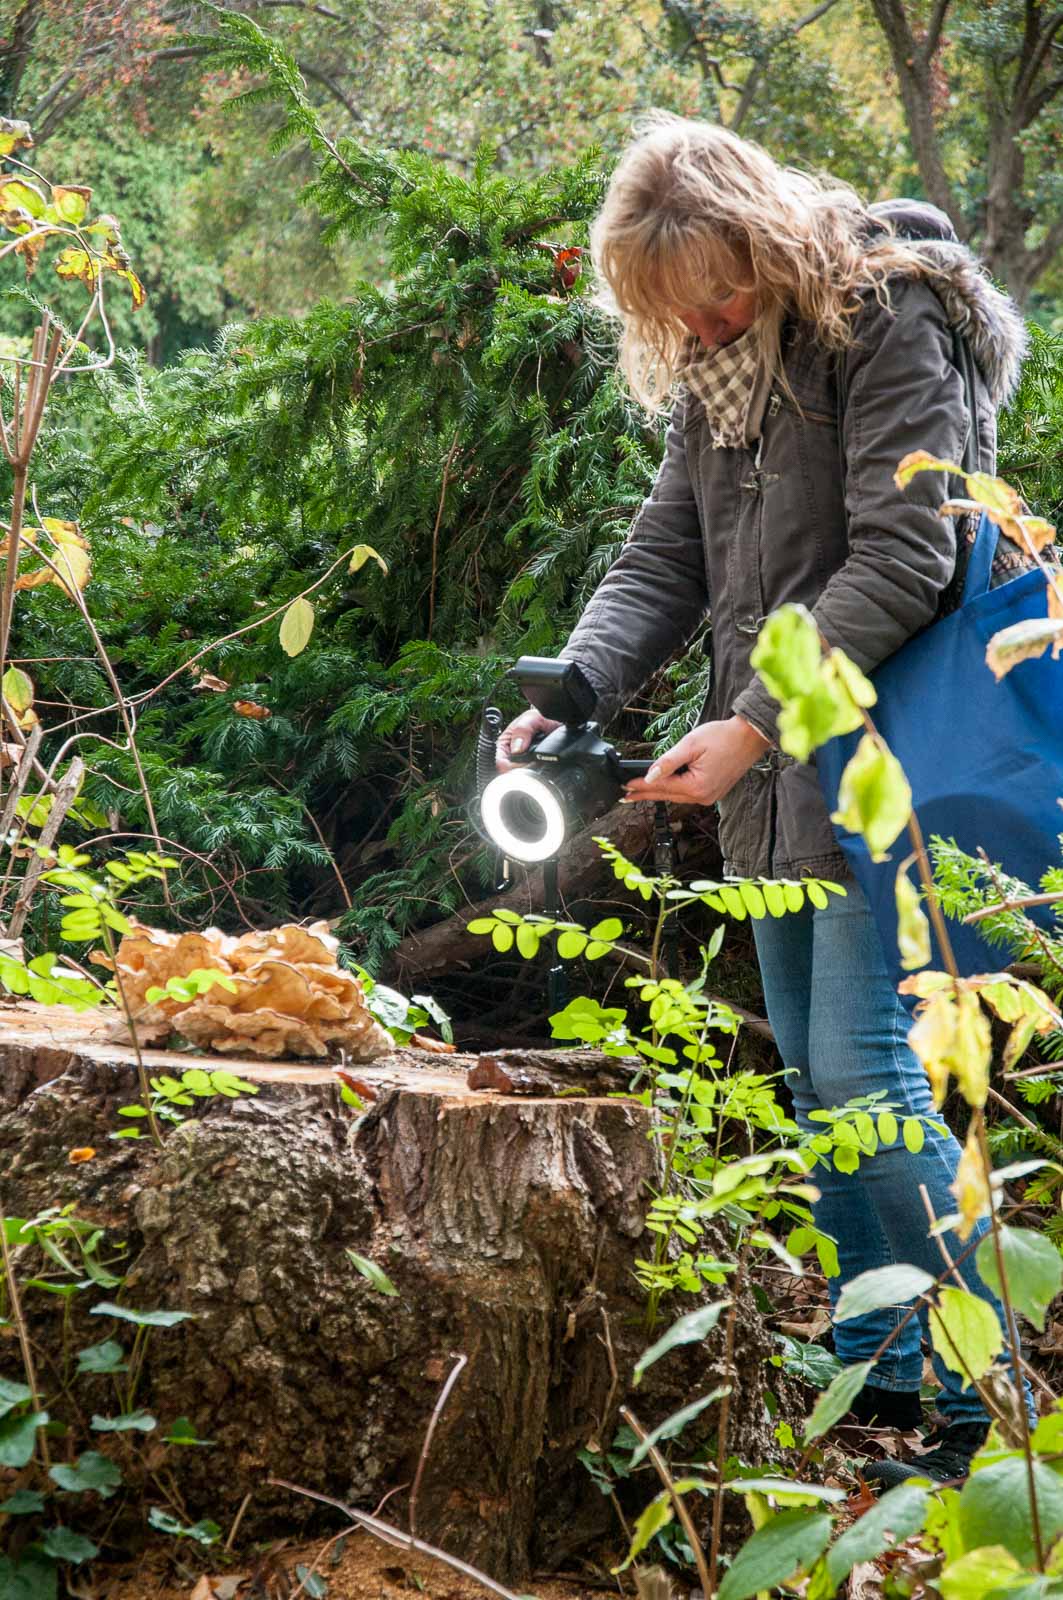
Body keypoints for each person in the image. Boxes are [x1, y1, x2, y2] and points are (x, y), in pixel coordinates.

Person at [496, 115, 1034, 1483]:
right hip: (778, 774)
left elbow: (909, 556)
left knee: (864, 1069)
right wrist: (576, 686)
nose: (706, 323)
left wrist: (748, 724)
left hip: (888, 756)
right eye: (678, 309)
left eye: (722, 293)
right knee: (812, 1066)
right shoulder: (720, 371)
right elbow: (662, 556)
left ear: (769, 243)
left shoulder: (887, 319)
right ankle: (880, 1362)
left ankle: (993, 1406)